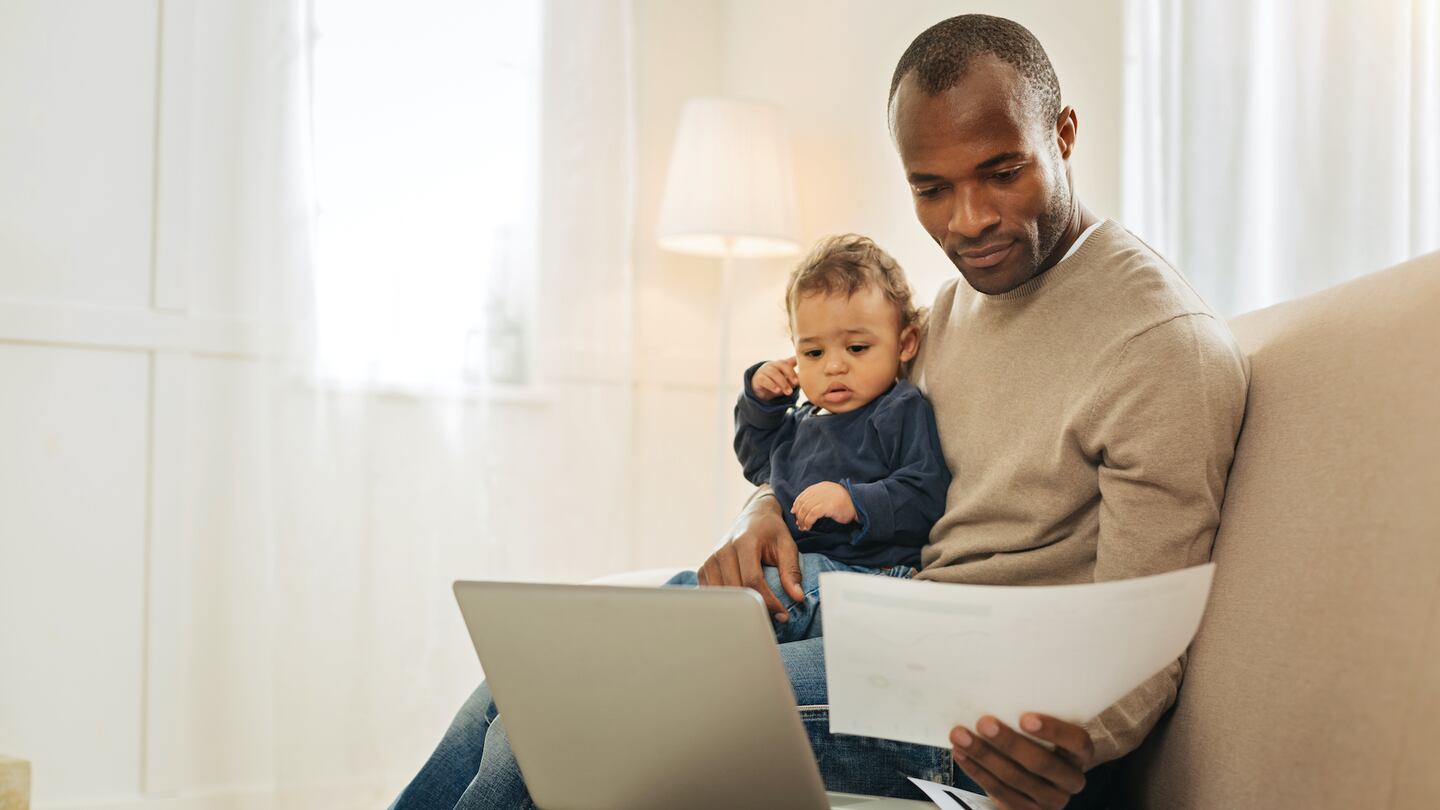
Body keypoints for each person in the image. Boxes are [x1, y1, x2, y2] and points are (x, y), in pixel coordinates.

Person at [391, 13, 1249, 810]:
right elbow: (830, 445)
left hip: (979, 701)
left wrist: (1069, 744)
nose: (971, 219)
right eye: (931, 189)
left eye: (1002, 172)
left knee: (563, 719)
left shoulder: (1158, 343)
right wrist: (764, 507)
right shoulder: (947, 314)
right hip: (882, 625)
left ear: (1062, 135)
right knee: (516, 681)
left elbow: (1148, 631)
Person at [666, 234, 950, 642]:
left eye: (856, 347)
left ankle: (673, 650)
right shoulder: (800, 420)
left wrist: (853, 501)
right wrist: (760, 400)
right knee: (689, 587)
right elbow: (756, 461)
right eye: (814, 353)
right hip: (805, 567)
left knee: (757, 598)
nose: (834, 366)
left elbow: (926, 495)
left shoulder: (899, 409)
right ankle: (633, 642)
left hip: (872, 576)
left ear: (904, 343)